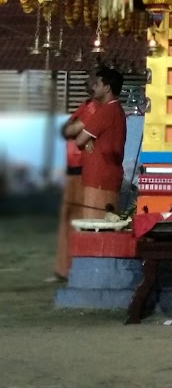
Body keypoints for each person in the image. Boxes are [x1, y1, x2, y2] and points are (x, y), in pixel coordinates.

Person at [64, 65, 127, 223]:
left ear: (107, 88)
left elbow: (78, 139)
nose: (92, 86)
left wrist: (85, 140)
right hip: (105, 175)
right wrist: (88, 139)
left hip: (99, 178)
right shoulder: (114, 110)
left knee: (94, 225)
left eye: (97, 84)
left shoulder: (105, 111)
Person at [54, 94, 98, 279]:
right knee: (68, 219)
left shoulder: (99, 109)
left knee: (82, 221)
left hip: (85, 172)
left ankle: (76, 269)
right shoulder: (86, 106)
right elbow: (66, 130)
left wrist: (76, 127)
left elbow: (74, 132)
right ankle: (63, 268)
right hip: (73, 170)